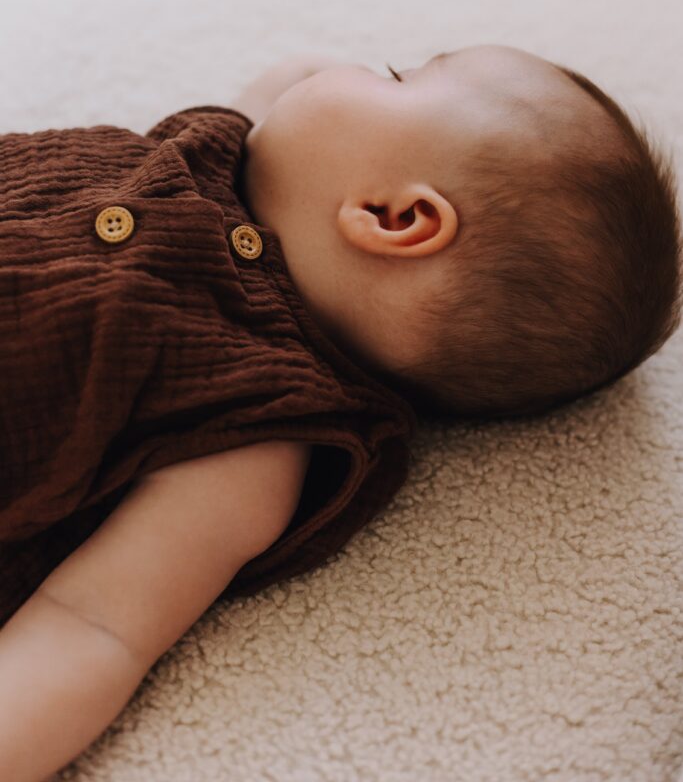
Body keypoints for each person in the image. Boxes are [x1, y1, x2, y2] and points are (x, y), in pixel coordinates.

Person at [0, 44, 681, 780]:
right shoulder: (223, 151)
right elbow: (286, 85)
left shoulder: (256, 437)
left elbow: (93, 626)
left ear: (394, 217)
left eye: (398, 75)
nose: (358, 64)